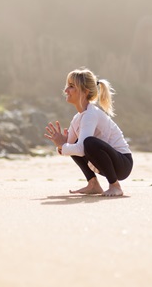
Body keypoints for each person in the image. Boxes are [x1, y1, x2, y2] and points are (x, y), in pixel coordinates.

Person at [44, 68, 133, 196]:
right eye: (67, 86)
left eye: (71, 86)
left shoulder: (91, 114)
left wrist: (63, 146)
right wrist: (60, 144)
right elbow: (70, 147)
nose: (66, 90)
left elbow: (79, 149)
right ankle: (93, 184)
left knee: (88, 142)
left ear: (85, 92)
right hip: (106, 164)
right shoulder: (78, 118)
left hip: (123, 164)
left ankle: (115, 186)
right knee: (76, 142)